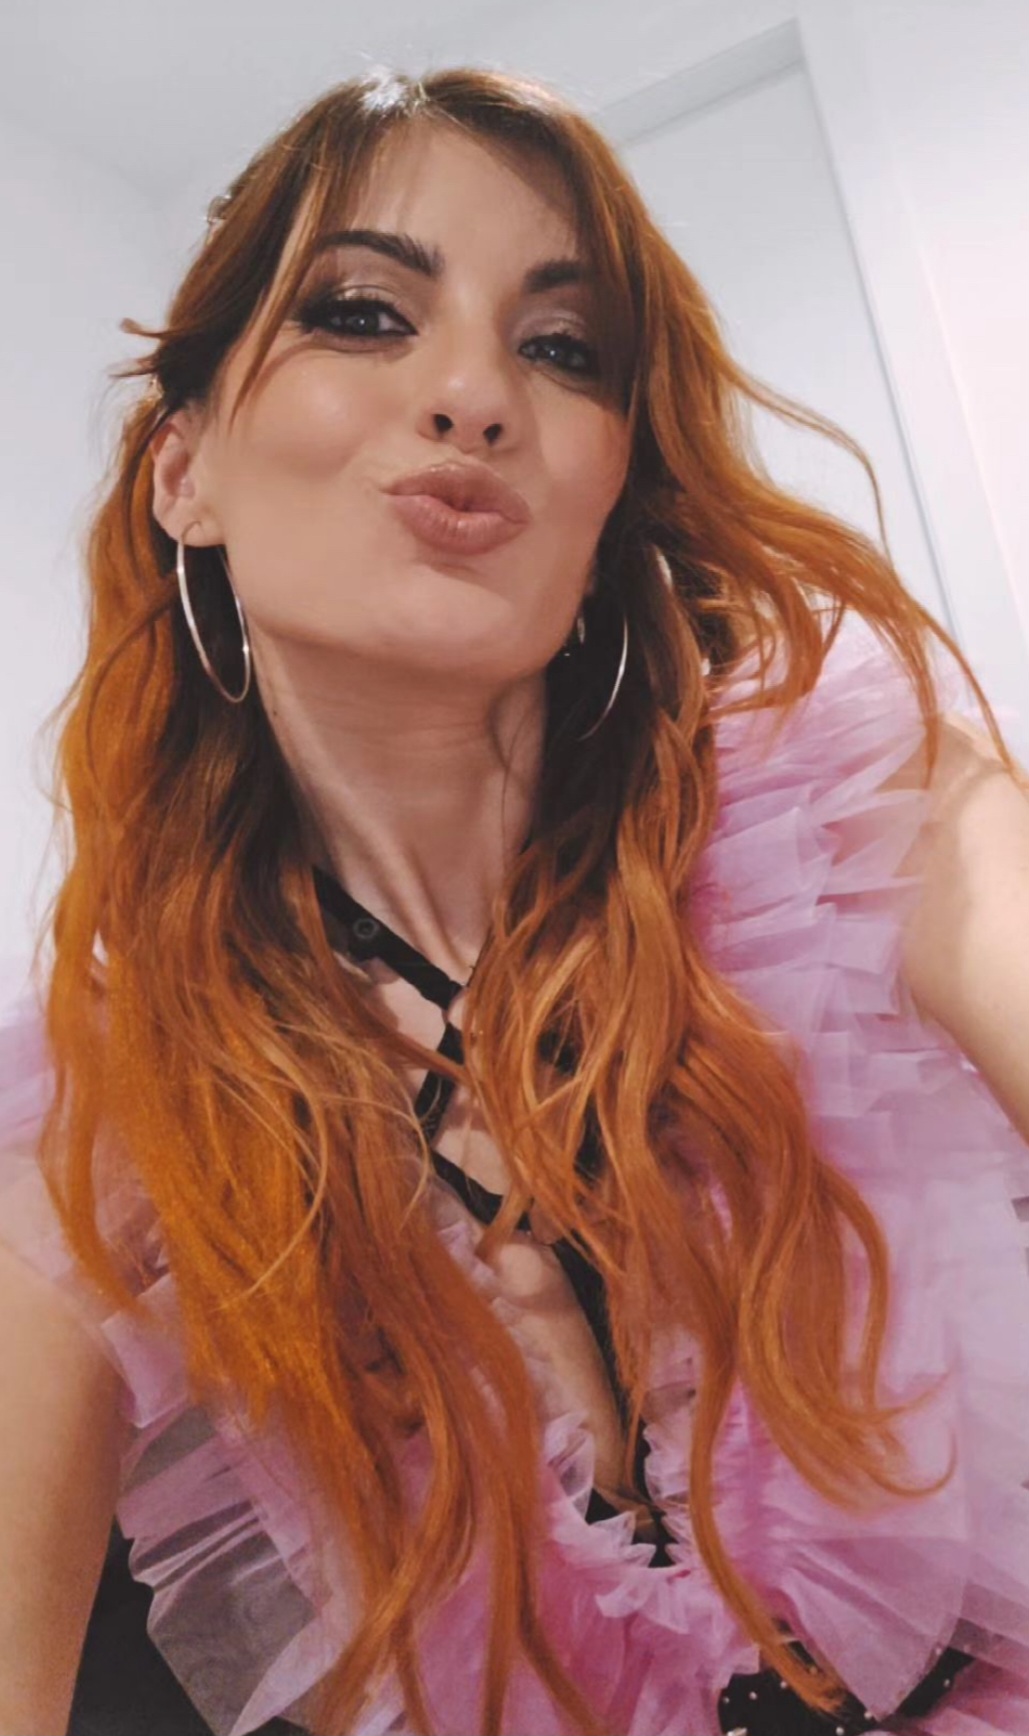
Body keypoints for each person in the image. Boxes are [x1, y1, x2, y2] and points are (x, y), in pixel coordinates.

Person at [1, 62, 1028, 1736]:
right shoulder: (85, 1124)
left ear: (613, 486)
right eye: (361, 314)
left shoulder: (861, 812)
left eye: (562, 349)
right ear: (185, 472)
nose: (475, 394)